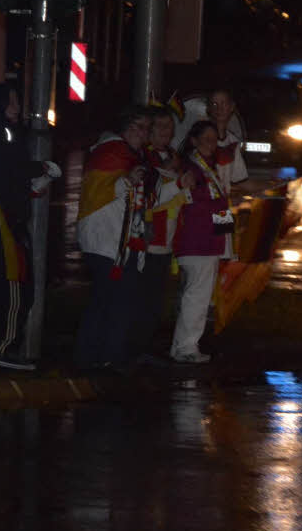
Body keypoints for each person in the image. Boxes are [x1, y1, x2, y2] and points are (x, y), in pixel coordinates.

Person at [0, 82, 58, 370]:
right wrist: (40, 168)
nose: (18, 109)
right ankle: (1, 348)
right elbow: (7, 170)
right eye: (12, 103)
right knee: (15, 286)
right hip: (4, 221)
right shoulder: (1, 133)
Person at [73, 105, 151, 371]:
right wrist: (127, 180)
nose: (144, 133)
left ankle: (109, 355)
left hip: (121, 239)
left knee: (117, 300)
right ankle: (90, 357)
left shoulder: (131, 155)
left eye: (146, 128)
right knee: (106, 299)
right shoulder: (111, 152)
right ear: (125, 128)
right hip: (104, 238)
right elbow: (100, 195)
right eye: (139, 127)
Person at [130, 104, 189, 361]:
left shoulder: (175, 156)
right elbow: (152, 196)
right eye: (161, 126)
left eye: (170, 127)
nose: (167, 131)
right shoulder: (147, 158)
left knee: (156, 300)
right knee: (143, 299)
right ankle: (136, 348)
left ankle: (147, 346)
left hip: (170, 239)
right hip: (150, 238)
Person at [169, 120, 231, 363]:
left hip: (208, 242)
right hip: (196, 242)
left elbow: (220, 204)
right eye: (205, 139)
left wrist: (226, 243)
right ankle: (186, 348)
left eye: (214, 140)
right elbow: (197, 204)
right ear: (193, 141)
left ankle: (182, 346)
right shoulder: (191, 169)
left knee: (196, 295)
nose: (211, 144)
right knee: (196, 297)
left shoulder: (207, 168)